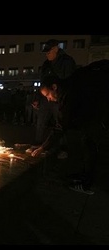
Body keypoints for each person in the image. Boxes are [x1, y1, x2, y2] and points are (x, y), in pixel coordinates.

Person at [31, 64, 109, 195]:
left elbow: (60, 128)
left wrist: (43, 148)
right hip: (94, 114)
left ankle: (86, 185)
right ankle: (83, 176)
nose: (49, 99)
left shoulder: (68, 97)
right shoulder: (70, 84)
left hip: (98, 116)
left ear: (54, 87)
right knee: (87, 144)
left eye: (48, 95)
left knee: (90, 146)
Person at [31, 39, 77, 159]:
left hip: (59, 97)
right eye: (45, 52)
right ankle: (39, 145)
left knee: (61, 122)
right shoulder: (46, 64)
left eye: (49, 51)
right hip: (48, 95)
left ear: (56, 49)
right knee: (40, 121)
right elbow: (42, 82)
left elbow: (68, 79)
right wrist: (38, 97)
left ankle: (63, 148)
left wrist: (60, 96)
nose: (47, 54)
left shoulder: (66, 61)